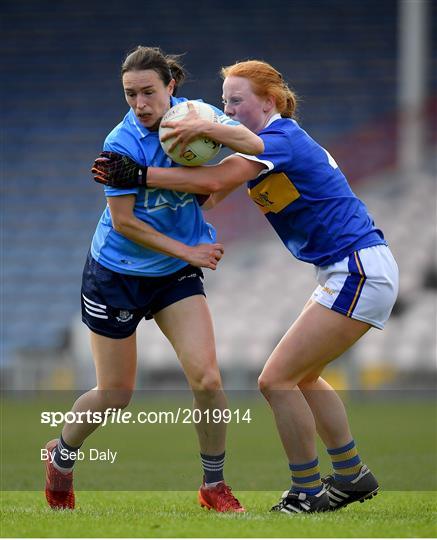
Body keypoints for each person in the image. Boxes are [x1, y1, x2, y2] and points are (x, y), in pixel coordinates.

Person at [92, 59, 399, 514]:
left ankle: (306, 491)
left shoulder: (279, 139)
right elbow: (210, 196)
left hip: (356, 267)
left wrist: (139, 176)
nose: (227, 110)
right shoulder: (264, 148)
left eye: (237, 101)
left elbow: (215, 180)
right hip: (349, 268)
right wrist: (149, 170)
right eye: (223, 102)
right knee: (304, 377)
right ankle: (352, 475)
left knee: (277, 381)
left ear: (269, 102)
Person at [44, 47, 264, 513]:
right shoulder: (119, 144)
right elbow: (124, 223)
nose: (140, 103)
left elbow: (251, 153)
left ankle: (213, 484)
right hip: (117, 274)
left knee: (207, 379)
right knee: (116, 395)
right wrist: (190, 248)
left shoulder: (201, 118)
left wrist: (208, 175)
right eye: (130, 95)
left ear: (171, 88)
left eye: (148, 92)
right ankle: (60, 455)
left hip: (173, 275)